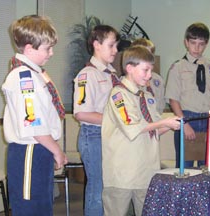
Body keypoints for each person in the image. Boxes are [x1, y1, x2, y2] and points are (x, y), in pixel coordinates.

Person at [102, 45, 180, 216]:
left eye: (151, 70)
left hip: (145, 171)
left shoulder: (147, 97)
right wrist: (163, 122)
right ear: (129, 68)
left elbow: (152, 131)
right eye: (145, 70)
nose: (150, 75)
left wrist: (170, 124)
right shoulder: (119, 95)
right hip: (123, 172)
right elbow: (133, 127)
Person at [2, 15, 68, 216]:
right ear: (29, 49)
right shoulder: (24, 77)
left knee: (42, 206)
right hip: (30, 151)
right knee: (31, 209)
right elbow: (33, 123)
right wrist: (57, 151)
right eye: (47, 48)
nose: (51, 53)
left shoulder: (35, 74)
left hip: (39, 149)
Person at [165, 22, 210, 168]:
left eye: (201, 44)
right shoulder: (177, 67)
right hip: (187, 119)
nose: (197, 48)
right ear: (186, 42)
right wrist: (184, 123)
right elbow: (173, 99)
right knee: (184, 168)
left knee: (208, 167)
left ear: (206, 44)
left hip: (209, 120)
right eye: (193, 43)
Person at [73, 25, 120, 216]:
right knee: (97, 189)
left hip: (109, 136)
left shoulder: (112, 74)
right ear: (96, 45)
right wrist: (115, 121)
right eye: (111, 45)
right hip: (93, 136)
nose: (116, 50)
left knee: (108, 188)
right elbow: (81, 113)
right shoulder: (86, 75)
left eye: (116, 45)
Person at [131, 38, 166, 114]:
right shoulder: (129, 80)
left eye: (150, 54)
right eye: (144, 55)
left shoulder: (158, 79)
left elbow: (161, 105)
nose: (148, 58)